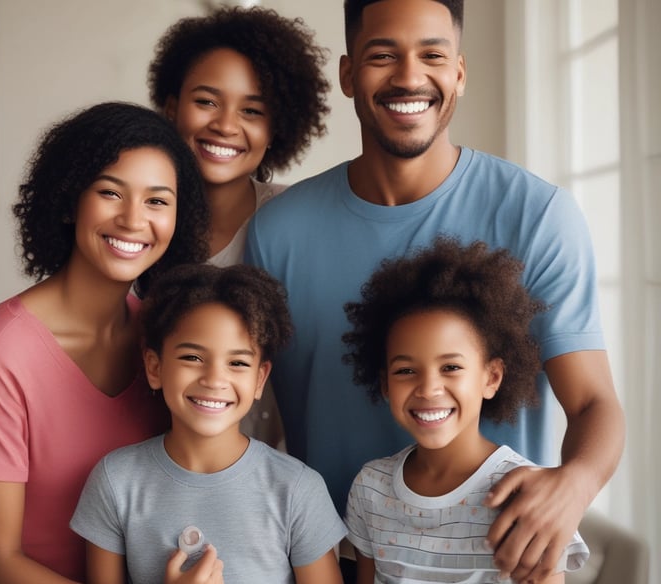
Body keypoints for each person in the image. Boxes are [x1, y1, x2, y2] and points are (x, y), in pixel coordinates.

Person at [244, 0, 625, 581]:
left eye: (432, 55)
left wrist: (573, 485)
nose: (408, 76)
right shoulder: (277, 232)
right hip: (332, 561)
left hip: (495, 560)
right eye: (382, 55)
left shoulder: (539, 215)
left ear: (459, 72)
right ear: (348, 74)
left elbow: (595, 404)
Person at [0, 102, 209, 583]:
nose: (133, 220)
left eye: (157, 201)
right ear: (69, 200)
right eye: (110, 192)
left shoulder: (166, 340)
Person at [70, 263, 347, 584]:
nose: (215, 379)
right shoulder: (115, 482)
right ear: (155, 367)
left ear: (260, 379)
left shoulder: (298, 490)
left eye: (238, 363)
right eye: (193, 358)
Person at [342, 237, 589, 583]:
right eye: (405, 371)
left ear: (492, 377)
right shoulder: (371, 488)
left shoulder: (527, 497)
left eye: (451, 368)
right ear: (385, 384)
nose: (428, 388)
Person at [148, 5, 331, 449]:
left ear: (276, 129)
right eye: (206, 101)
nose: (225, 125)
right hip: (161, 472)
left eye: (252, 110)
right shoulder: (142, 222)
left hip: (280, 480)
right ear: (172, 107)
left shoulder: (303, 218)